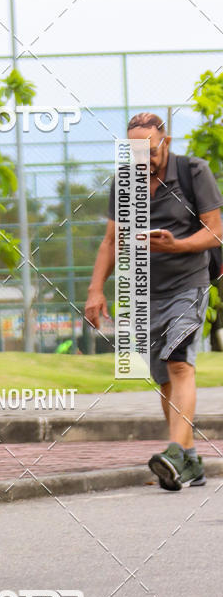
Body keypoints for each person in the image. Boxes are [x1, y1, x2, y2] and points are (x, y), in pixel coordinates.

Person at [85, 112, 223, 490]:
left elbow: (215, 232)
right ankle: (190, 461)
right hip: (144, 290)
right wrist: (96, 290)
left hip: (188, 284)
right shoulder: (124, 182)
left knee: (179, 363)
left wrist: (178, 245)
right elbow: (111, 241)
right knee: (163, 377)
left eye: (150, 150)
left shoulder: (194, 172)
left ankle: (174, 452)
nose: (143, 159)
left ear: (167, 142)